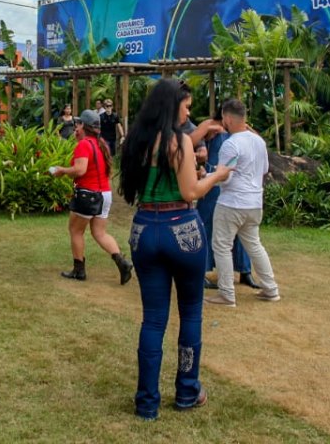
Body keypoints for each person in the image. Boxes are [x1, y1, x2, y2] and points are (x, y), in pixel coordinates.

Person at [120, 78, 233, 420]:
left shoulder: (138, 141)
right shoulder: (179, 142)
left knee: (153, 320)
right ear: (172, 106)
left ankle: (147, 402)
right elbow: (190, 192)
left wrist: (196, 141)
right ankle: (187, 391)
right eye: (186, 106)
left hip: (144, 231)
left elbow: (171, 150)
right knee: (191, 313)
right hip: (181, 230)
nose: (189, 112)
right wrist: (217, 175)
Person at [204, 99, 281, 307]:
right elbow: (264, 169)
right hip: (255, 202)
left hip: (232, 202)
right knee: (255, 245)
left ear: (227, 118)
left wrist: (206, 175)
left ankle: (227, 293)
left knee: (221, 245)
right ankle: (271, 288)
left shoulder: (230, 144)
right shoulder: (259, 141)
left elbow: (224, 177)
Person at [51, 110, 132, 284]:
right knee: (99, 232)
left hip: (88, 194)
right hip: (104, 193)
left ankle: (79, 270)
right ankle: (121, 261)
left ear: (82, 126)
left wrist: (62, 170)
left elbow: (80, 170)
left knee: (75, 230)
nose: (75, 128)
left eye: (77, 124)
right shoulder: (101, 143)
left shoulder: (84, 145)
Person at [199, 112, 257, 291]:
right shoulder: (211, 126)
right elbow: (196, 138)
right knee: (205, 226)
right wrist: (210, 129)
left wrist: (244, 127)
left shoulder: (240, 133)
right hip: (212, 184)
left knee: (240, 230)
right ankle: (202, 271)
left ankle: (245, 271)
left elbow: (256, 141)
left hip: (235, 189)